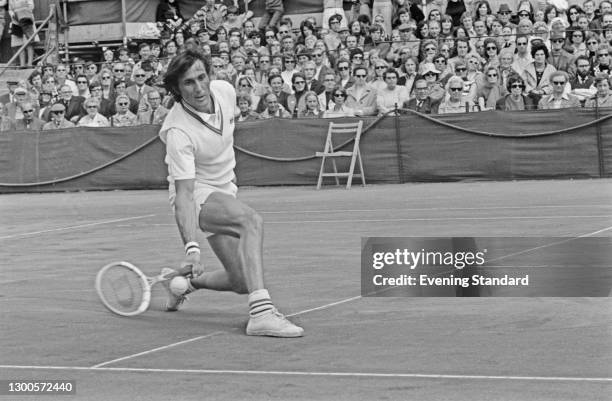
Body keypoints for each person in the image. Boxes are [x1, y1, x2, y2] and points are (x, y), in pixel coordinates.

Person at [157, 49, 303, 337]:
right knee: (251, 221)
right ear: (176, 88)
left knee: (240, 280)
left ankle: (181, 284)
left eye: (202, 77)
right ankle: (261, 314)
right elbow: (184, 195)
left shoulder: (224, 91)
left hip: (225, 189)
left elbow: (227, 119)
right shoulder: (177, 131)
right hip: (198, 193)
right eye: (188, 83)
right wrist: (192, 249)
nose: (199, 88)